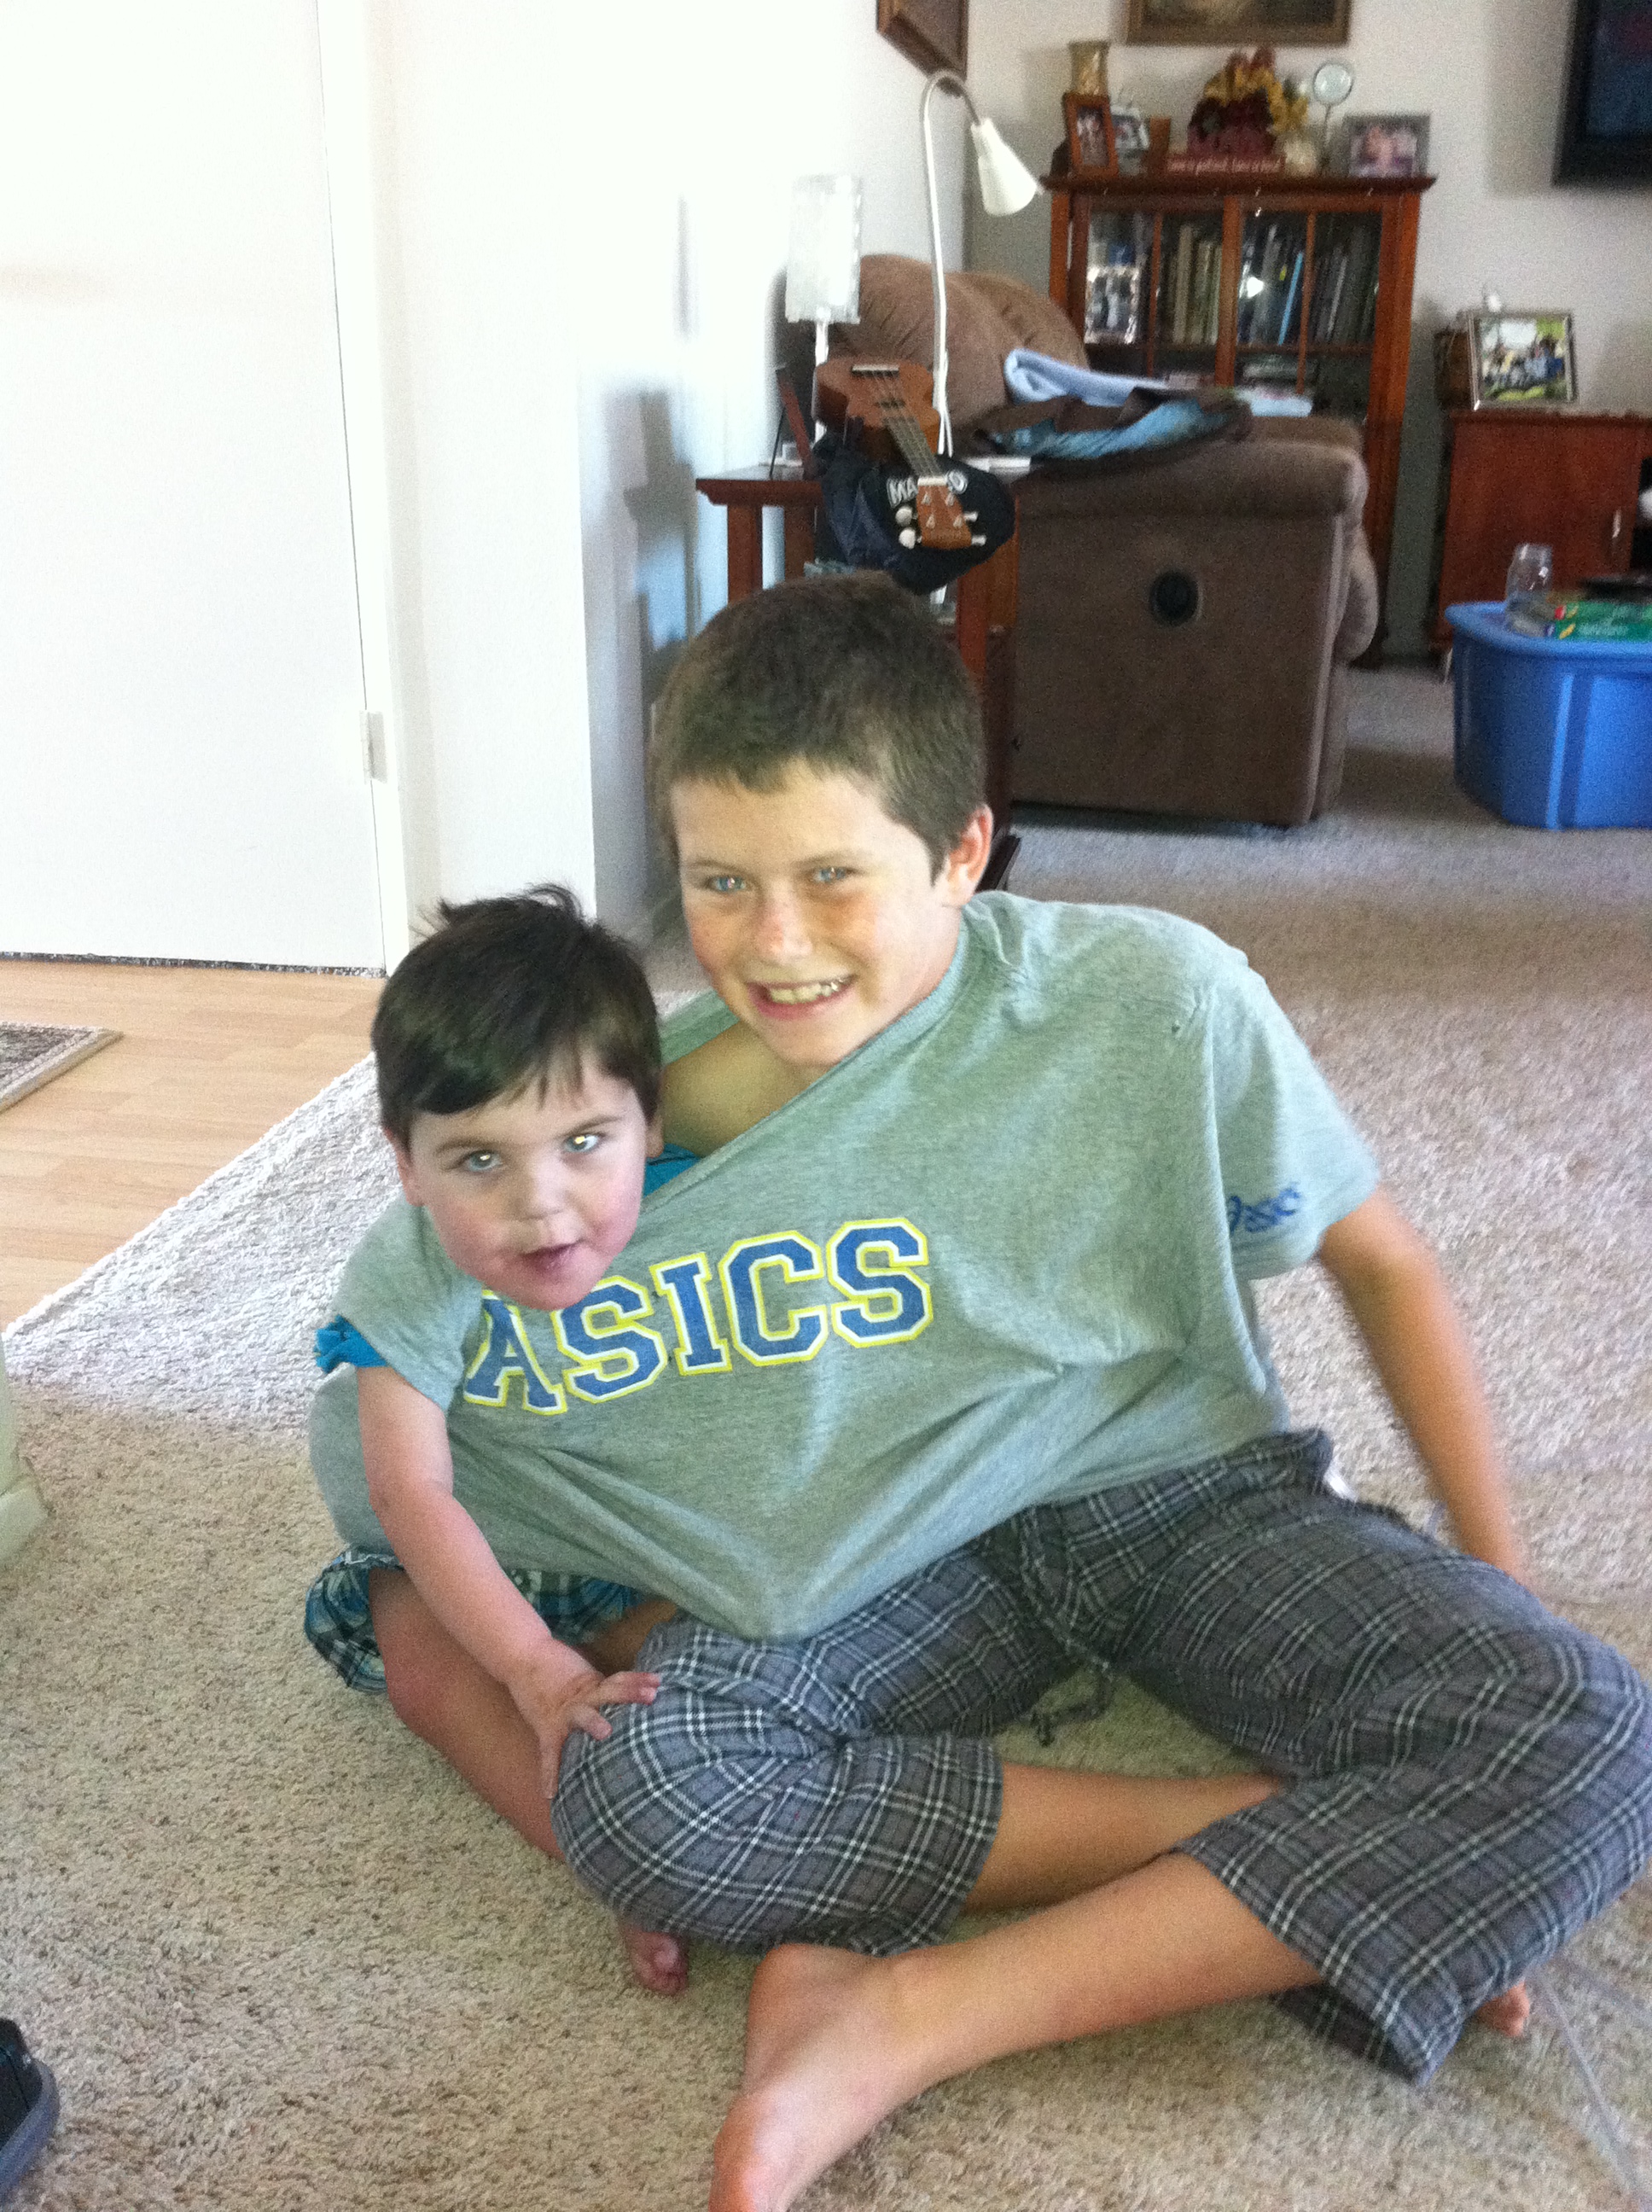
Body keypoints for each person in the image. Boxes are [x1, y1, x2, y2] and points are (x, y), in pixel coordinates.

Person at [328, 575, 1650, 2212]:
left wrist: (1498, 1591)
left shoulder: (1161, 997)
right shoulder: (647, 1118)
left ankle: (905, 2013)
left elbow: (1382, 1265)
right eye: (721, 881)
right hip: (897, 1559)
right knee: (643, 1788)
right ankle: (1325, 1859)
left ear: (963, 851)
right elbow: (431, 1368)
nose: (774, 943)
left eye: (832, 876)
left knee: (1585, 1728)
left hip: (1179, 1496)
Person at [303, 885, 690, 1992]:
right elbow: (410, 1494)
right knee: (428, 1673)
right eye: (479, 1160)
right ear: (405, 1164)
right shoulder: (409, 1268)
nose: (543, 1205)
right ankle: (609, 1863)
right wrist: (528, 1666)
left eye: (584, 1143)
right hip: (463, 1546)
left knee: (733, 1643)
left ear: (651, 1125)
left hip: (628, 1535)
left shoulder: (700, 1215)